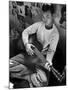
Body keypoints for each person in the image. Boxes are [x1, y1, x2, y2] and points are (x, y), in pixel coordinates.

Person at [9, 4, 59, 88]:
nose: (44, 19)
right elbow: (25, 32)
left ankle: (27, 75)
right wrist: (26, 44)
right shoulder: (39, 24)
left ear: (53, 16)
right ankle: (29, 76)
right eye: (43, 16)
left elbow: (51, 50)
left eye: (47, 16)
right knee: (6, 65)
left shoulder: (55, 34)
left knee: (43, 82)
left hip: (41, 59)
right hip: (30, 53)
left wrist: (49, 61)